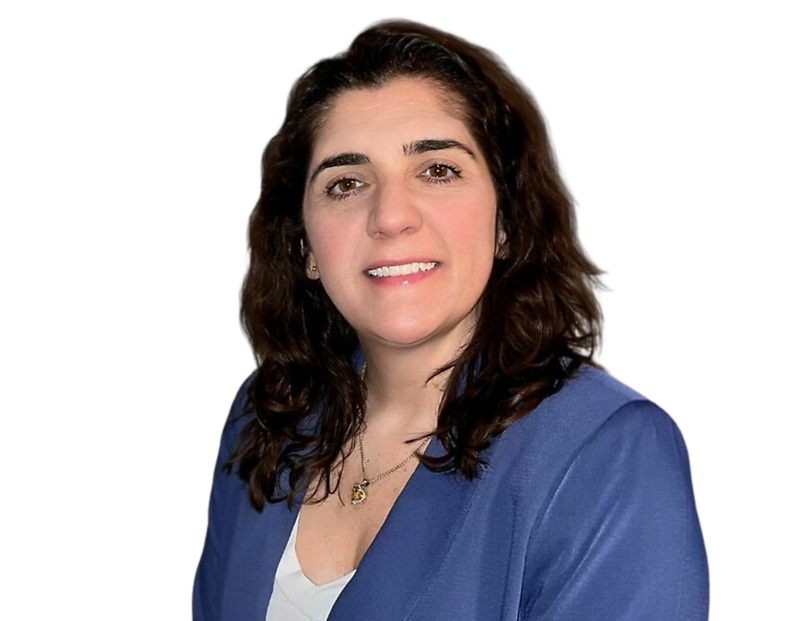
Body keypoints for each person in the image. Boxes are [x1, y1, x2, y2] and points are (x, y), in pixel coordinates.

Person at [190, 17, 712, 621]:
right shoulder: (265, 412)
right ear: (305, 246)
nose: (390, 216)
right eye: (347, 182)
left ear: (506, 222)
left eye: (437, 170)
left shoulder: (609, 450)